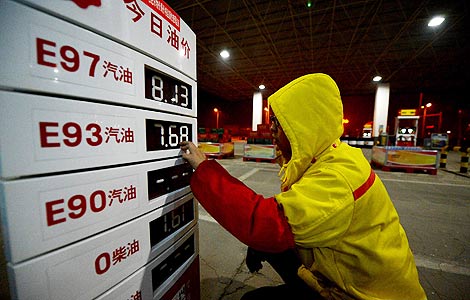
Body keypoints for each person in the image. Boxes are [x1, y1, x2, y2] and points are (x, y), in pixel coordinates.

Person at [180, 73, 426, 299]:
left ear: (304, 126)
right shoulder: (331, 157)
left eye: (280, 122)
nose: (273, 128)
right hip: (348, 278)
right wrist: (261, 245)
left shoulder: (337, 177)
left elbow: (266, 223)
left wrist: (204, 169)